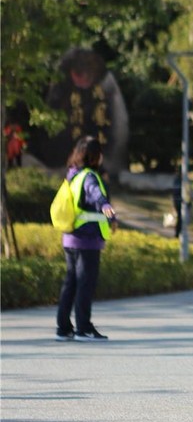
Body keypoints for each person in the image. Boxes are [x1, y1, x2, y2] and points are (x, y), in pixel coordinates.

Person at [55, 135, 117, 341]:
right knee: (85, 283)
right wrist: (106, 206)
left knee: (71, 283)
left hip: (70, 239)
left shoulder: (72, 175)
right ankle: (83, 328)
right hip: (87, 240)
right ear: (94, 156)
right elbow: (95, 193)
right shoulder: (89, 176)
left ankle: (64, 328)